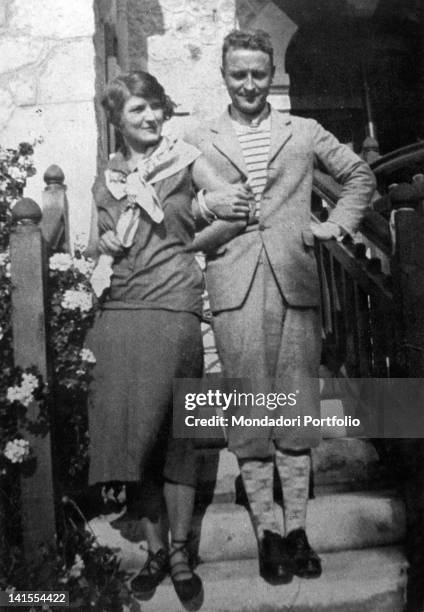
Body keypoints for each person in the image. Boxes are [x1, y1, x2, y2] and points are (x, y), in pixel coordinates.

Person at [187, 29, 376, 584]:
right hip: (233, 286)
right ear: (224, 76)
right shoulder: (199, 136)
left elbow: (358, 175)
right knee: (250, 412)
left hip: (295, 283)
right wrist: (206, 201)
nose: (249, 84)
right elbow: (179, 212)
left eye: (258, 74)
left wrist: (335, 225)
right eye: (238, 74)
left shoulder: (304, 130)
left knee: (294, 412)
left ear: (272, 75)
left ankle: (297, 530)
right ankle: (266, 535)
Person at [87, 70, 231, 605]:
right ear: (117, 122)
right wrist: (103, 237)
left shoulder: (187, 159)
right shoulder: (108, 176)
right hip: (120, 306)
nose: (150, 118)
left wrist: (193, 245)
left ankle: (179, 552)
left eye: (154, 107)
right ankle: (152, 552)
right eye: (136, 111)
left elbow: (234, 207)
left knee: (174, 429)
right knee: (138, 437)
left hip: (172, 302)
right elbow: (97, 241)